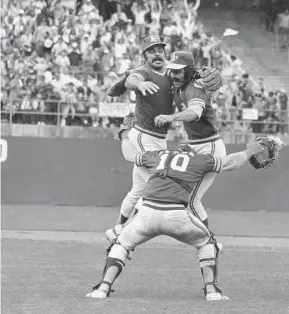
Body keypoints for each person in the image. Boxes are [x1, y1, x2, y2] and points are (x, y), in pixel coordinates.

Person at [85, 130, 265, 301]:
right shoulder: (198, 159)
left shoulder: (158, 155)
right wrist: (250, 150)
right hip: (176, 215)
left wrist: (124, 134)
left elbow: (129, 154)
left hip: (147, 213)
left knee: (121, 244)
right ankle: (212, 291)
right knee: (208, 243)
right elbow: (231, 162)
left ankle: (102, 289)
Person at [113, 37, 222, 228]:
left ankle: (120, 229)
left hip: (164, 140)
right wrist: (137, 84)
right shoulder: (144, 72)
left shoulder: (174, 78)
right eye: (151, 50)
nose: (156, 53)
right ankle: (123, 231)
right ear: (144, 56)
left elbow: (196, 92)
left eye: (159, 50)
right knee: (153, 188)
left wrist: (201, 79)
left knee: (139, 190)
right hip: (144, 135)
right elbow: (133, 79)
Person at [154, 51, 226, 227]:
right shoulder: (180, 86)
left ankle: (209, 243)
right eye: (172, 70)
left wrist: (171, 117)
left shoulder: (194, 87)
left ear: (188, 70)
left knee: (192, 200)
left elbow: (195, 112)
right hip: (196, 146)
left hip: (209, 147)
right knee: (179, 193)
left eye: (178, 71)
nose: (174, 74)